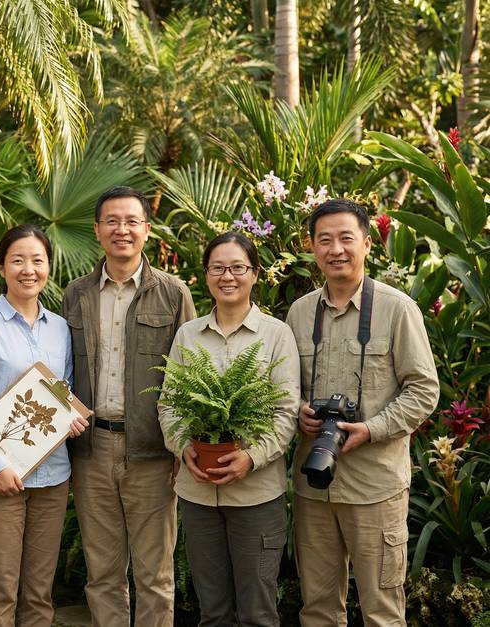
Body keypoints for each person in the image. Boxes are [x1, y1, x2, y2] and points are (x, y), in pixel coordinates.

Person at [286, 199, 439, 625]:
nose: (336, 249)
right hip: (313, 486)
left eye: (346, 238)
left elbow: (424, 390)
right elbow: (283, 388)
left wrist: (371, 429)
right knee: (317, 609)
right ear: (312, 249)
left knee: (382, 611)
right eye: (324, 240)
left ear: (367, 244)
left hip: (376, 488)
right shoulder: (299, 313)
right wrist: (297, 411)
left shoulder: (397, 308)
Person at [61, 186, 196, 626]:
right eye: (112, 222)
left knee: (155, 574)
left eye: (131, 221)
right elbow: (61, 368)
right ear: (98, 230)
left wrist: (183, 444)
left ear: (146, 230)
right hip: (92, 451)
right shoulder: (76, 294)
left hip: (153, 453)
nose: (122, 230)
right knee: (102, 573)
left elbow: (191, 377)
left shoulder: (173, 294)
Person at [158, 232, 300, 626]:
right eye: (218, 268)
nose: (228, 276)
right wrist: (182, 445)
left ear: (255, 273)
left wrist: (252, 457)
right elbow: (169, 401)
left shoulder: (276, 335)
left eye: (238, 267)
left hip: (256, 495)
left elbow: (286, 411)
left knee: (257, 612)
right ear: (205, 276)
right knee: (212, 612)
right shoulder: (188, 334)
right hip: (198, 493)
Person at [0, 224, 88, 627]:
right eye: (18, 260)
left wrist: (72, 419)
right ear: (1, 267)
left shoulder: (61, 328)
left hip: (52, 476)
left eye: (37, 260)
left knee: (38, 595)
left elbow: (64, 393)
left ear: (48, 266)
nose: (28, 269)